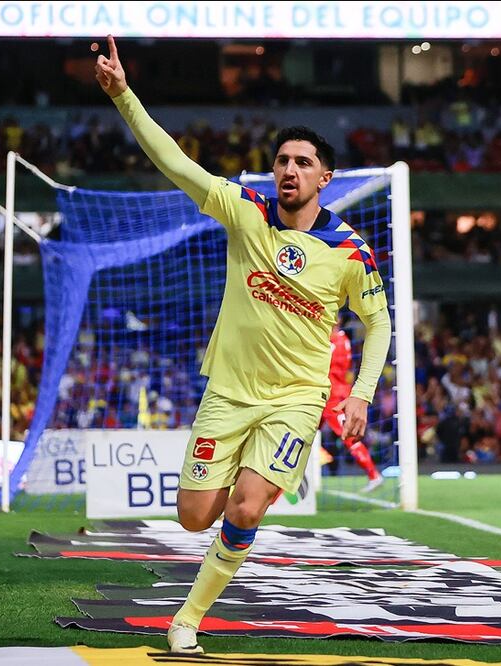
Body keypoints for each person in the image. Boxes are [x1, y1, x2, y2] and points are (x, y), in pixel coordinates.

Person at [95, 36, 392, 654]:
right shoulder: (247, 210)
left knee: (247, 509)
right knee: (194, 516)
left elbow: (379, 324)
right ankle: (252, 487)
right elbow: (176, 164)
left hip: (296, 399)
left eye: (303, 162)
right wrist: (123, 95)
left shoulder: (349, 251)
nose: (289, 169)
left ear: (325, 178)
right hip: (229, 392)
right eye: (282, 160)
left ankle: (187, 619)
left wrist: (361, 393)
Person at [322, 323, 384, 492]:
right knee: (305, 435)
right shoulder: (343, 339)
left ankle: (373, 475)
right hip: (335, 392)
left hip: (333, 397)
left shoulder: (334, 342)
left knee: (349, 436)